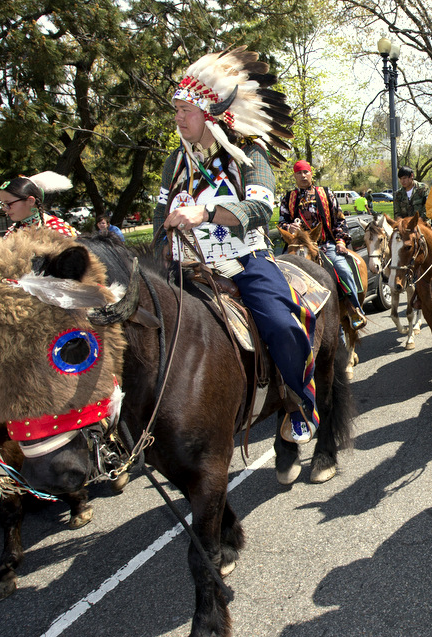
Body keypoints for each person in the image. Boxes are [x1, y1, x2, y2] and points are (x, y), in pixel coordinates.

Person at [154, 47, 321, 443]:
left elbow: (260, 209)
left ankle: (300, 401)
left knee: (282, 325)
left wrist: (205, 214)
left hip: (243, 261)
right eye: (176, 110)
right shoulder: (174, 162)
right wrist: (164, 237)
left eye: (185, 111)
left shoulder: (249, 154)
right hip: (184, 267)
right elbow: (160, 212)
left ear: (210, 115)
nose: (177, 118)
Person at [279, 160, 368, 330]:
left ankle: (354, 310)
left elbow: (339, 219)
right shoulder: (288, 198)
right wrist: (289, 227)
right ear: (295, 176)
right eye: (299, 173)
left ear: (311, 173)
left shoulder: (326, 193)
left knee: (344, 270)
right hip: (298, 246)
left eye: (306, 172)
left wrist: (341, 241)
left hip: (325, 245)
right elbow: (282, 221)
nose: (303, 175)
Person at [0, 172, 79, 238]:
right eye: (3, 204)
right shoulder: (12, 232)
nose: (5, 209)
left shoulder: (58, 230)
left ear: (30, 201)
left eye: (8, 204)